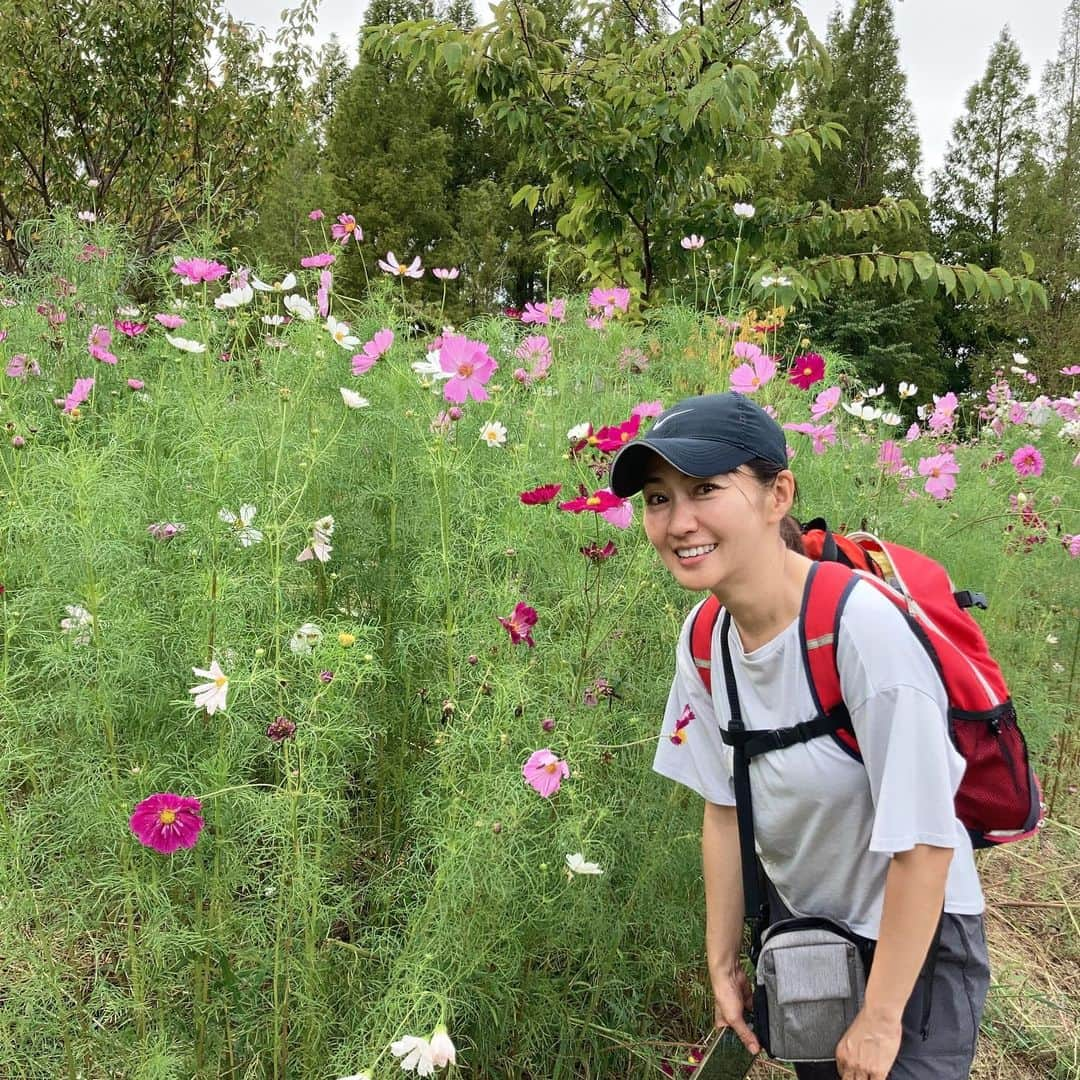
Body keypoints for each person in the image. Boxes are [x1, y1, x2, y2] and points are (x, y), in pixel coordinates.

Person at [608, 393, 990, 1080]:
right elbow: (723, 809)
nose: (679, 522)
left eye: (705, 490)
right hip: (810, 931)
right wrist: (723, 964)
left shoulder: (860, 631)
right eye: (658, 499)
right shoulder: (706, 639)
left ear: (777, 493)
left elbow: (927, 845)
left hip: (916, 938)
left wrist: (879, 1018)